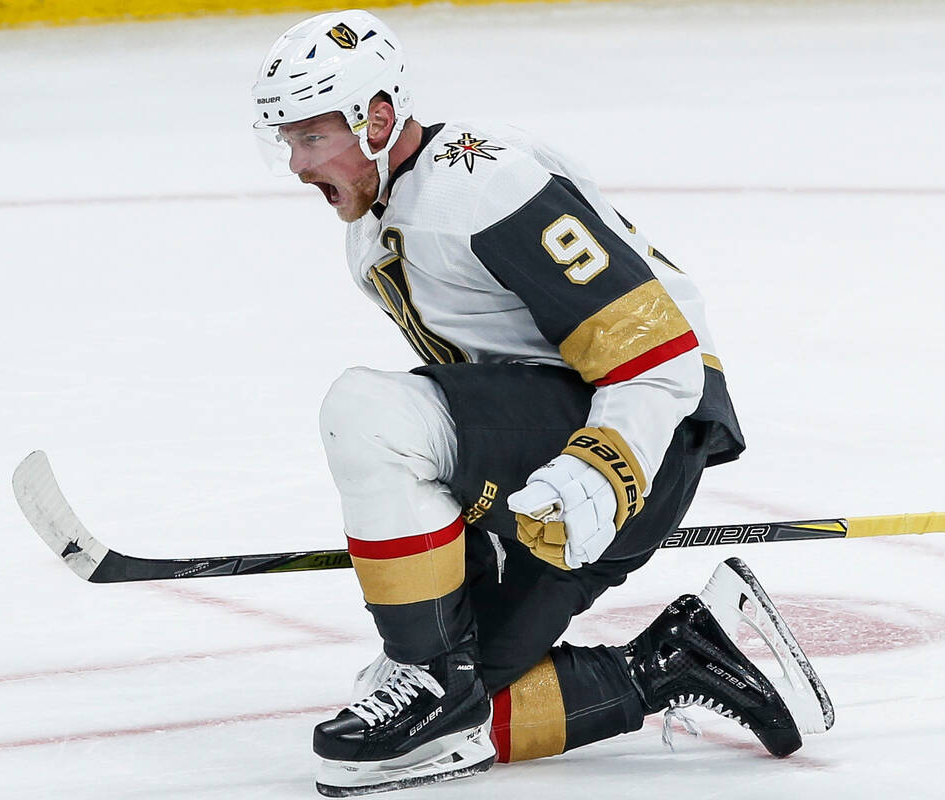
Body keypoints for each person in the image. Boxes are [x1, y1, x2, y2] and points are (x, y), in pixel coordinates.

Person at [251, 9, 833, 797]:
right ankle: (669, 662)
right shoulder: (377, 224)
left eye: (311, 137)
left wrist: (607, 465)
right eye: (286, 139)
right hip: (572, 438)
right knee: (443, 725)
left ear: (378, 119)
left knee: (367, 413)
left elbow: (659, 355)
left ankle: (427, 673)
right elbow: (489, 391)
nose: (295, 162)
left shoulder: (481, 182)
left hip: (643, 427)